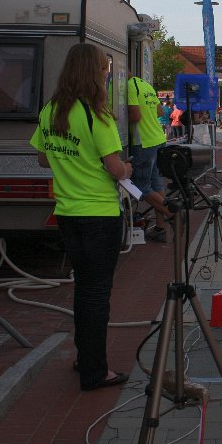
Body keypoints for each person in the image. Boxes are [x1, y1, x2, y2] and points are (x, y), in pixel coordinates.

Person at [29, 43, 131, 391]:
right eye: (105, 69)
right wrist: (128, 168)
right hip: (99, 214)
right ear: (94, 73)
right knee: (97, 294)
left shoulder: (51, 110)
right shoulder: (97, 115)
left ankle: (83, 357)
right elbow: (114, 168)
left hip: (67, 212)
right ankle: (95, 371)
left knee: (84, 288)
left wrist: (70, 162)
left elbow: (43, 158)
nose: (107, 75)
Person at [128, 73, 171, 243]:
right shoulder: (146, 85)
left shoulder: (130, 86)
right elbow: (159, 111)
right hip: (158, 138)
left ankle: (173, 214)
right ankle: (160, 227)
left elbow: (135, 116)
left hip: (143, 142)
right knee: (156, 184)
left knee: (141, 186)